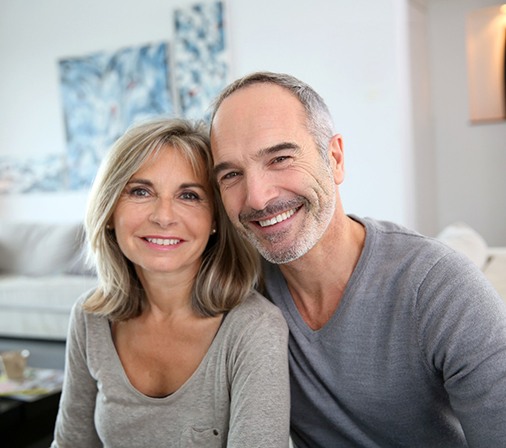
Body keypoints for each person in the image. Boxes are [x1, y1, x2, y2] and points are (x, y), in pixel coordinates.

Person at [209, 71, 506, 447]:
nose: (257, 198)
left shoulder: (441, 287)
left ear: (334, 158)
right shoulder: (238, 292)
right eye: (232, 174)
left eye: (280, 158)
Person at [51, 118, 290, 447]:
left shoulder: (254, 328)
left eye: (189, 196)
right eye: (141, 191)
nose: (163, 216)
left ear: (215, 221)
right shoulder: (90, 318)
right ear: (109, 211)